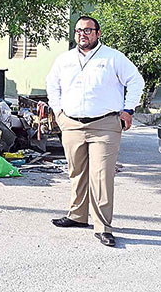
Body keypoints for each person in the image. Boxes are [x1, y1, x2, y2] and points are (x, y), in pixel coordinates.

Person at [45, 15, 144, 247]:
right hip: (71, 124)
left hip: (105, 125)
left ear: (98, 33)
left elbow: (136, 81)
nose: (83, 34)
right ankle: (78, 216)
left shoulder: (113, 57)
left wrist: (128, 109)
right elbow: (52, 85)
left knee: (101, 176)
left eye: (88, 30)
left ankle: (103, 227)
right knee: (76, 172)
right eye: (79, 30)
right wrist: (58, 112)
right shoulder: (64, 60)